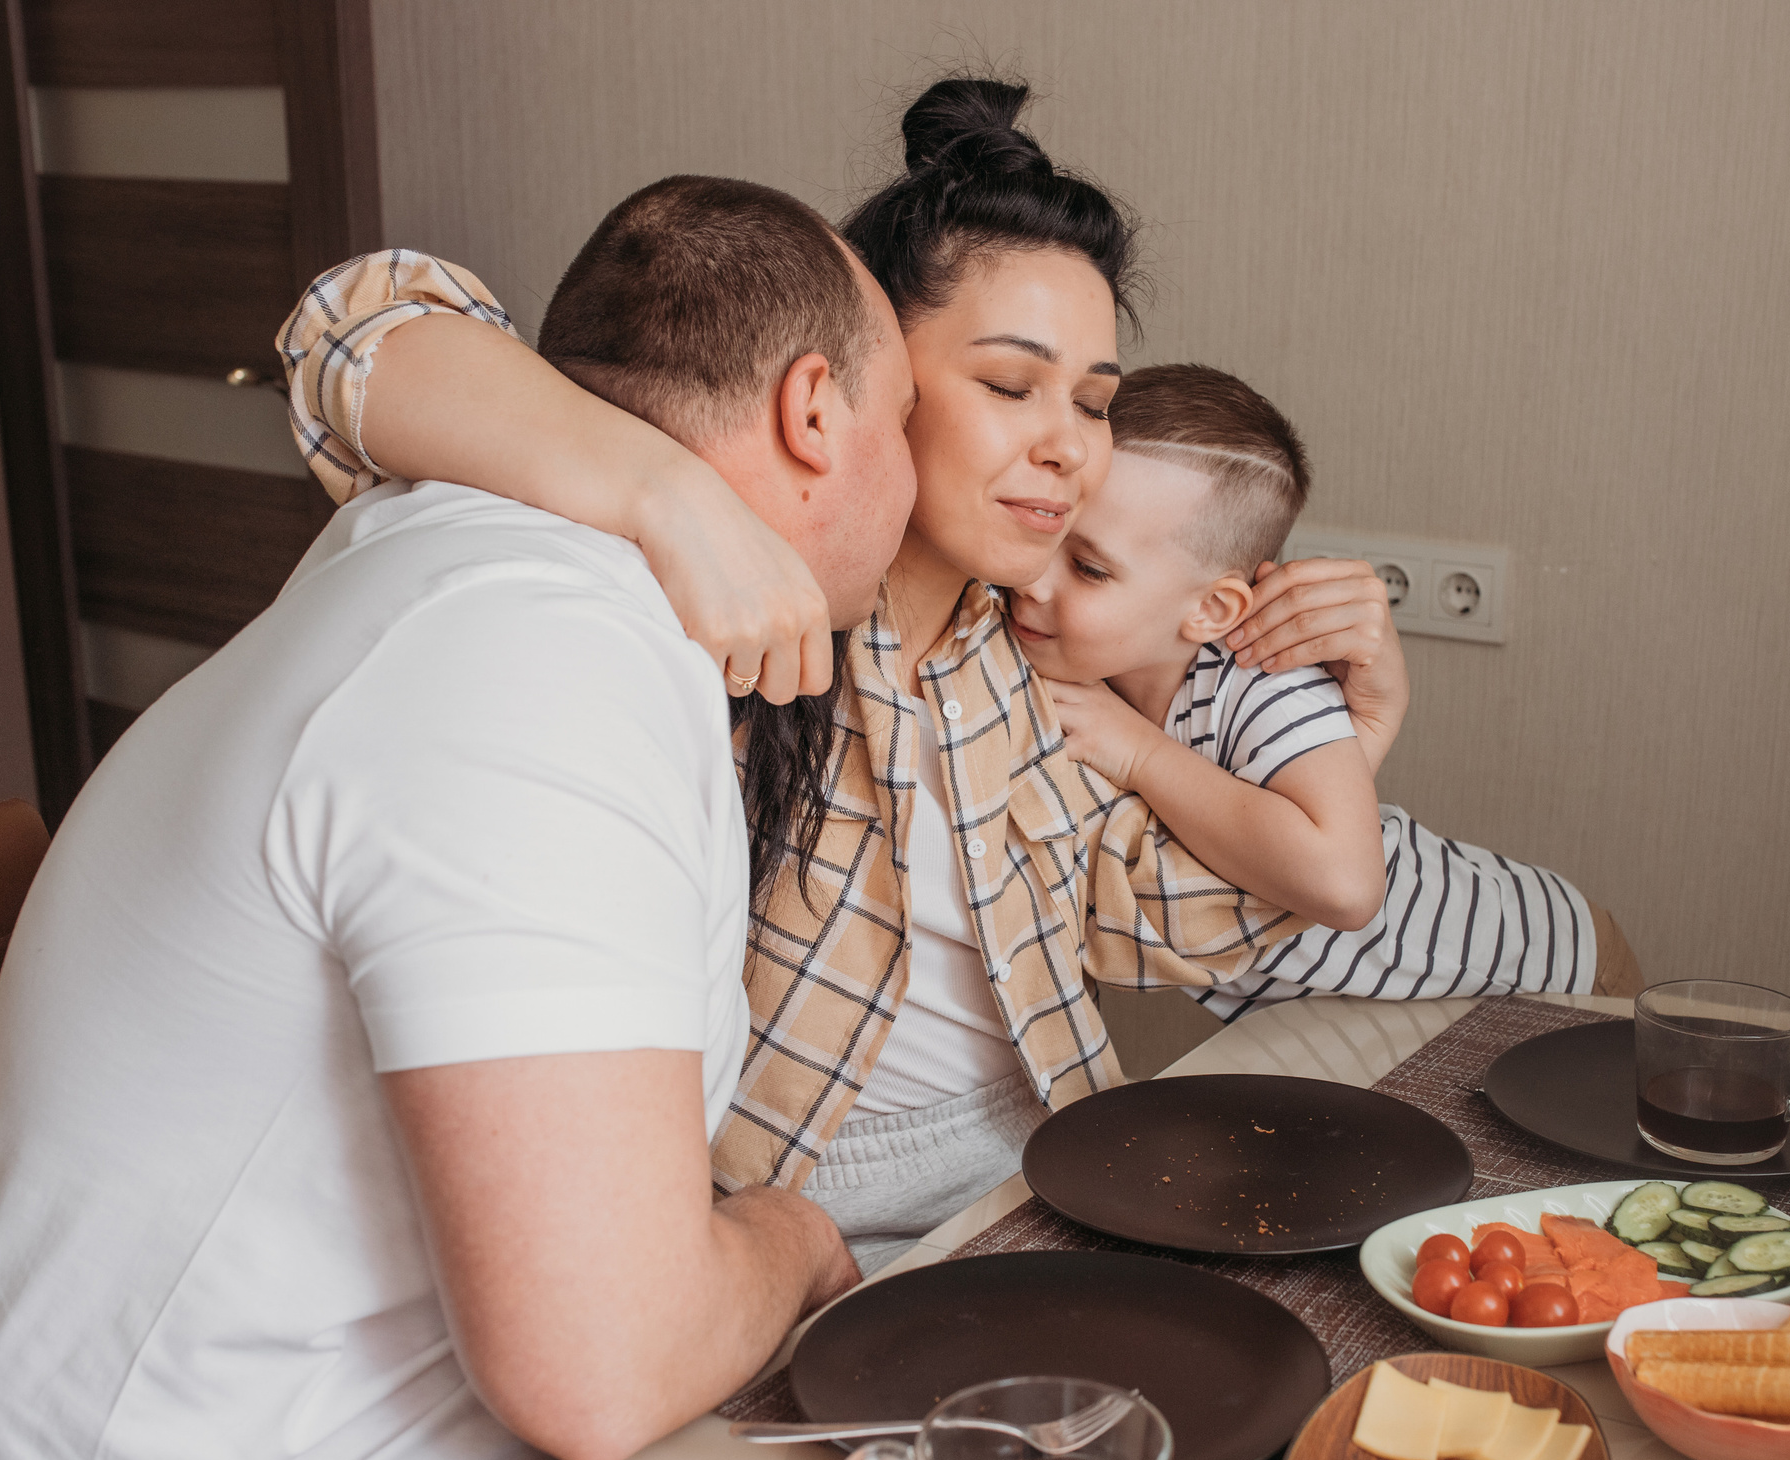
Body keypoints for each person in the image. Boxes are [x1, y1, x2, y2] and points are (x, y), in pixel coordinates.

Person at [0, 175, 905, 1460]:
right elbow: (604, 1363)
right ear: (815, 412)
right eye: (915, 420)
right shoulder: (538, 652)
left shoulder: (498, 558)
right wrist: (799, 1236)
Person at [274, 79, 1405, 1271]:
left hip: (1052, 1153)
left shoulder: (1022, 660)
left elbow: (1152, 912)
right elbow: (351, 325)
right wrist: (663, 497)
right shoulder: (704, 604)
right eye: (1009, 386)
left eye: (1093, 402)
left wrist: (1349, 746)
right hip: (793, 1209)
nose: (1068, 446)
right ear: (865, 379)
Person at [1022, 363, 1645, 1018]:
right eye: (1044, 530)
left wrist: (1140, 754)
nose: (1034, 581)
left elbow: (1346, 885)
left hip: (1550, 963)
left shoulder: (1265, 675)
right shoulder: (1089, 666)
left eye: (1088, 567)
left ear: (1210, 611)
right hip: (1386, 1011)